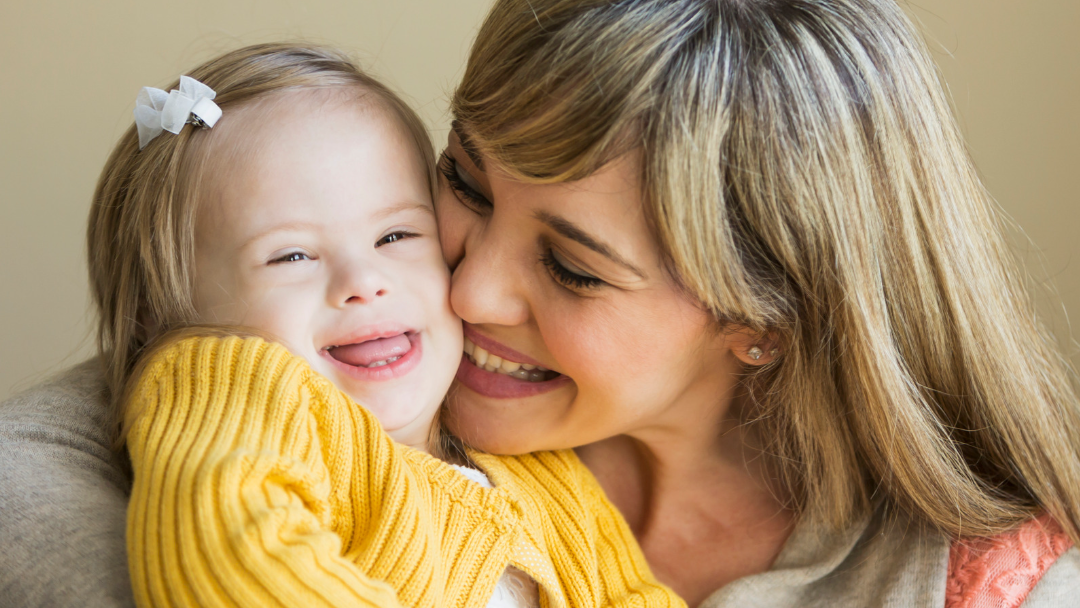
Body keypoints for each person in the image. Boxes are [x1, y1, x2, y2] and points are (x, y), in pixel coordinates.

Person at [1, 1, 1079, 607]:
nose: (464, 289)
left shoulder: (989, 579)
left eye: (571, 266)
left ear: (766, 318)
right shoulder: (300, 372)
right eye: (463, 182)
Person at [101, 43, 680, 608]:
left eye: (395, 236)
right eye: (292, 256)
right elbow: (235, 556)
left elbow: (632, 595)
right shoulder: (231, 387)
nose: (365, 280)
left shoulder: (539, 466)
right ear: (164, 316)